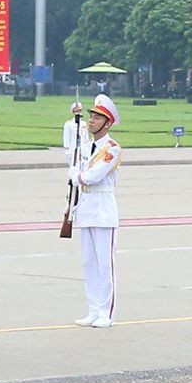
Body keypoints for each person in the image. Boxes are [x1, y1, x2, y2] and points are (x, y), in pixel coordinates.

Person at [64, 94, 123, 328]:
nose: (91, 121)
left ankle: (106, 314)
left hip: (103, 209)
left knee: (104, 264)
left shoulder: (112, 149)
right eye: (91, 116)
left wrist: (76, 176)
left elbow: (92, 176)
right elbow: (71, 155)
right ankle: (92, 309)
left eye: (97, 118)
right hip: (86, 207)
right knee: (88, 262)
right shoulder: (86, 147)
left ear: (107, 123)